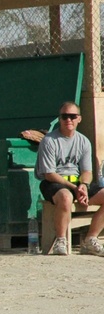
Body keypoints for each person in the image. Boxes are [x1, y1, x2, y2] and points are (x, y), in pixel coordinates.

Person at [35, 101, 104, 256]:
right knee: (65, 197)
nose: (69, 120)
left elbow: (87, 171)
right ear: (59, 119)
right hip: (54, 183)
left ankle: (90, 240)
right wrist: (74, 188)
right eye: (65, 116)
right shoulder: (49, 141)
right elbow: (49, 174)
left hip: (76, 183)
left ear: (79, 119)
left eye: (72, 116)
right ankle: (61, 240)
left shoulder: (83, 141)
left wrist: (84, 185)